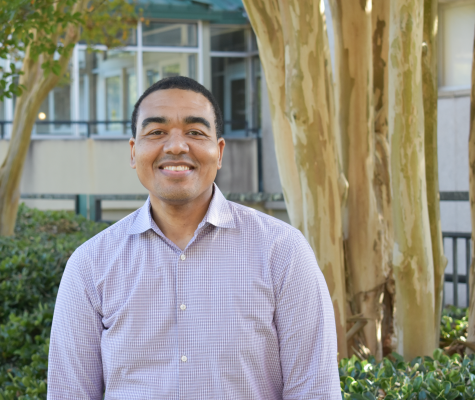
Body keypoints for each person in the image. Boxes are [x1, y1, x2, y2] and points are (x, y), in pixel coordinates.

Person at [48, 76, 341, 399]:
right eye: (157, 132)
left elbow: (315, 390)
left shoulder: (282, 253)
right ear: (134, 152)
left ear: (219, 151)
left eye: (195, 132)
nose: (175, 146)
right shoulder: (90, 265)